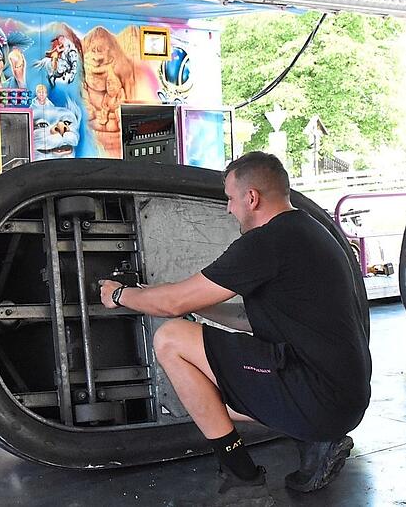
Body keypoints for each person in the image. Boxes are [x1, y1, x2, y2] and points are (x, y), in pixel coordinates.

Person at [99, 151, 371, 503]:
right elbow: (247, 318)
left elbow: (173, 305)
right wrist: (191, 303)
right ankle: (317, 438)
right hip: (344, 400)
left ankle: (242, 478)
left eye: (230, 199)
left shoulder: (265, 242)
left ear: (251, 197)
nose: (228, 209)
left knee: (170, 338)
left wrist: (119, 294)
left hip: (318, 396)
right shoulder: (309, 231)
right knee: (205, 402)